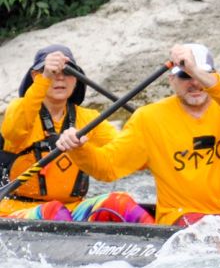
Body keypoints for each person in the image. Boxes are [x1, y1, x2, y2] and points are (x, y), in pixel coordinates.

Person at [55, 43, 220, 225]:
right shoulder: (148, 118)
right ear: (171, 80)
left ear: (213, 77)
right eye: (185, 76)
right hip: (182, 218)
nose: (194, 82)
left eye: (200, 74)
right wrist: (79, 149)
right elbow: (108, 167)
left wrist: (192, 68)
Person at [1, 45, 152, 222]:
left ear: (76, 79)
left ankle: (163, 247)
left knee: (120, 202)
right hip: (15, 211)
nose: (60, 79)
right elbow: (14, 131)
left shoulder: (90, 119)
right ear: (36, 76)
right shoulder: (19, 109)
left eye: (67, 72)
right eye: (52, 73)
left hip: (72, 210)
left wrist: (158, 142)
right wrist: (45, 78)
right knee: (54, 212)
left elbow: (124, 155)